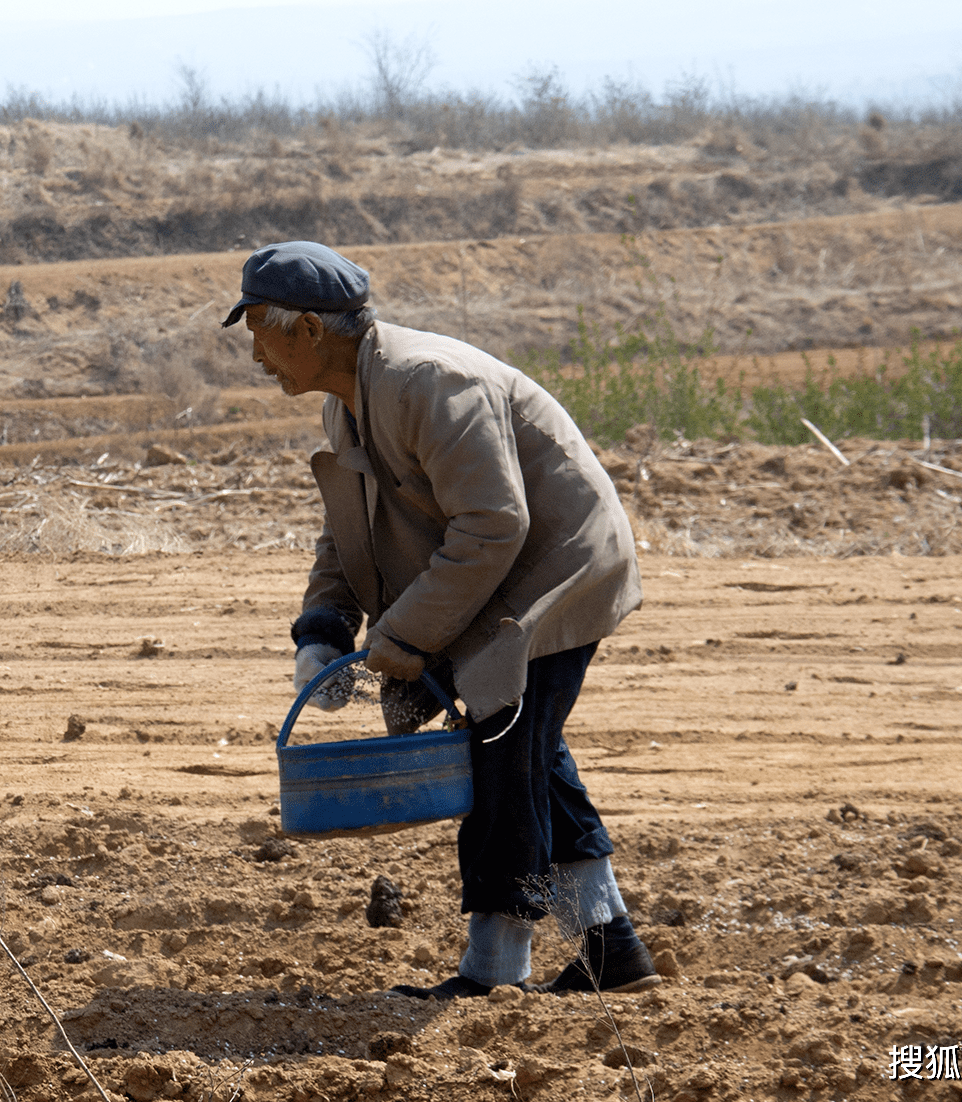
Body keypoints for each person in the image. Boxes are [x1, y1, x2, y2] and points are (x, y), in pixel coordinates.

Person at [224, 240, 660, 1000]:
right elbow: (349, 530)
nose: (255, 353)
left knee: (502, 758)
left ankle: (495, 971)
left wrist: (400, 639)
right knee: (531, 755)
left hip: (555, 571)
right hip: (496, 578)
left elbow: (495, 524)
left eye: (259, 327)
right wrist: (324, 626)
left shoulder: (428, 383)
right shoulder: (349, 399)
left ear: (309, 331)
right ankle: (608, 948)